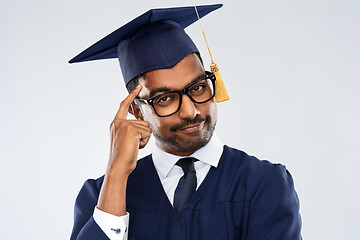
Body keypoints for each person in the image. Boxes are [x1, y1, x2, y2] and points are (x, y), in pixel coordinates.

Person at [69, 4, 302, 240]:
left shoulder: (264, 184)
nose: (190, 111)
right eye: (166, 98)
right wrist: (117, 173)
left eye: (198, 87)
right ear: (137, 112)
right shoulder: (100, 196)